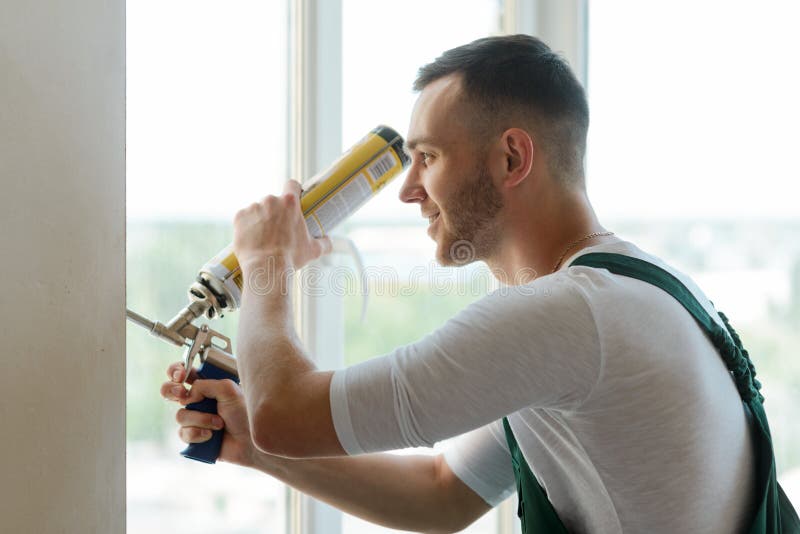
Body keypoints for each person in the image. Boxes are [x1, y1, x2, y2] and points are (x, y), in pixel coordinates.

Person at [161, 35, 756, 533]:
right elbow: (443, 495)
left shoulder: (568, 315)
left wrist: (265, 261)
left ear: (511, 158)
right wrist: (254, 445)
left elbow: (285, 411)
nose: (408, 189)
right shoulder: (628, 292)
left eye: (429, 157)